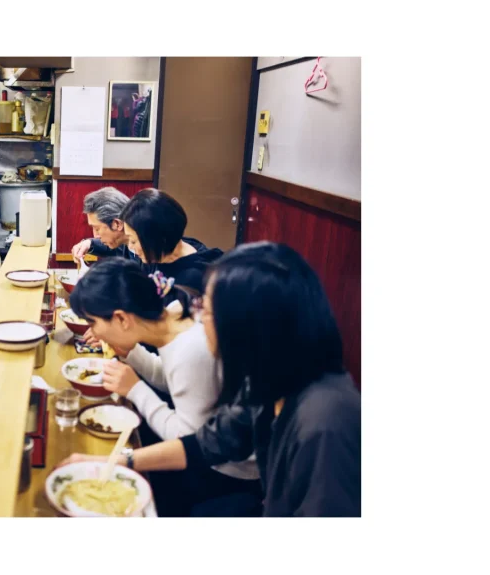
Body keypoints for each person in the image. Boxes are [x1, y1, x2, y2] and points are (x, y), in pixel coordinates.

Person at [59, 242, 361, 517]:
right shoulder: (268, 385)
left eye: (208, 310)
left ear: (251, 324)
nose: (198, 319)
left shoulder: (325, 421)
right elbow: (206, 444)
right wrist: (113, 462)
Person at [68, 258, 261, 516]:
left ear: (122, 319)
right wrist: (132, 353)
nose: (93, 332)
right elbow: (172, 381)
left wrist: (136, 390)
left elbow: (189, 440)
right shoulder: (172, 314)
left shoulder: (191, 350)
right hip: (212, 451)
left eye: (93, 323)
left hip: (226, 473)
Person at [118, 188, 223, 295]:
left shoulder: (193, 278)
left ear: (156, 238)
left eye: (134, 241)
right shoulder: (157, 255)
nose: (131, 247)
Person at [69, 187, 139, 263]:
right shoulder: (125, 243)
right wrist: (89, 243)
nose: (96, 236)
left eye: (97, 228)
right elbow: (114, 247)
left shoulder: (149, 254)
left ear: (117, 224)